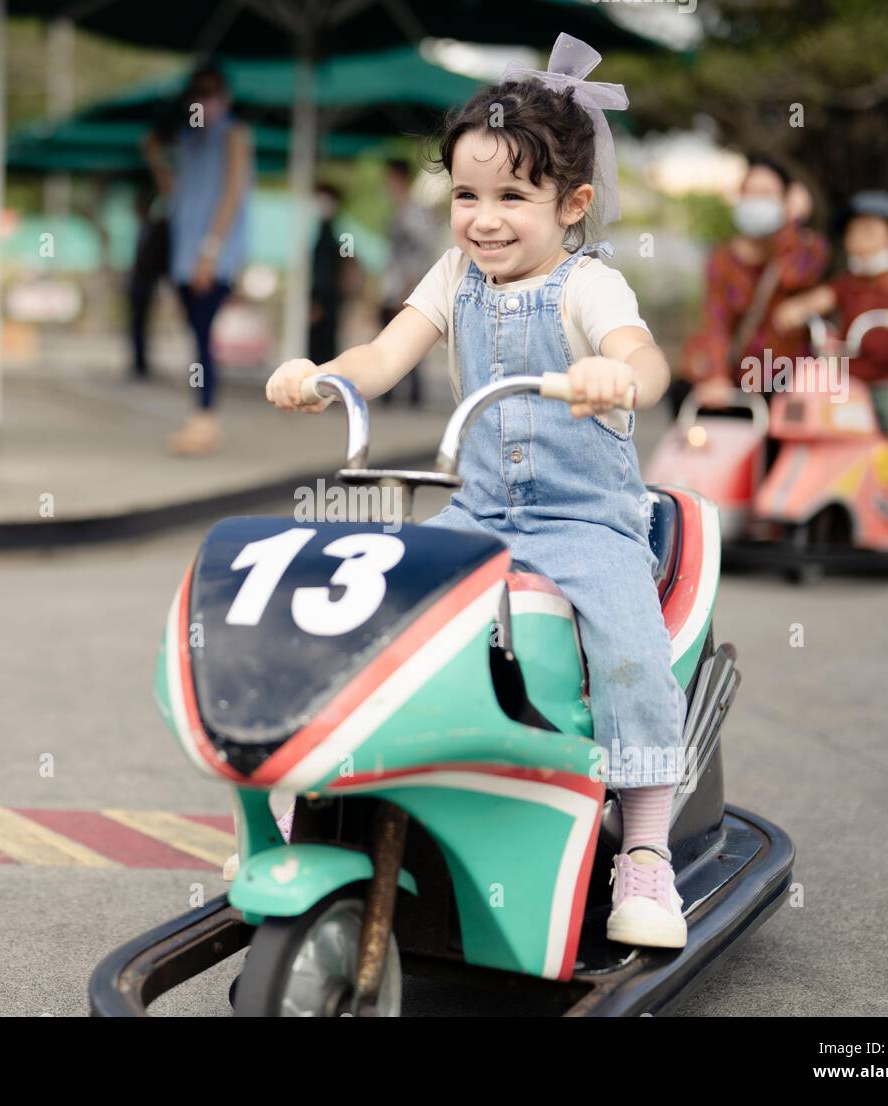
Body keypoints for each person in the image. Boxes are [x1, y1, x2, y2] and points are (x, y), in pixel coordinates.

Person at [266, 33, 689, 949]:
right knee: (375, 603)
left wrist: (618, 377)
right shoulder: (452, 273)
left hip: (584, 520)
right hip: (480, 508)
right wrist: (318, 373)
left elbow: (640, 356)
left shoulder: (590, 286)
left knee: (625, 645)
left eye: (513, 197)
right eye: (466, 195)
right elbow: (383, 355)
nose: (484, 219)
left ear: (572, 204)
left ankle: (646, 851)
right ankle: (325, 793)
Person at [773, 191, 888, 538]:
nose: (859, 240)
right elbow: (821, 299)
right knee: (813, 418)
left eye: (869, 231)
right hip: (851, 379)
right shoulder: (847, 283)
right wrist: (796, 309)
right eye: (853, 232)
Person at [145, 65, 253, 456]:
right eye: (198, 94)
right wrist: (155, 156)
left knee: (204, 339)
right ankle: (201, 417)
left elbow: (231, 196)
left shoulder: (234, 135)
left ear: (223, 96)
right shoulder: (187, 143)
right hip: (182, 256)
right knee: (196, 338)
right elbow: (173, 194)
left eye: (210, 94)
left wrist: (209, 252)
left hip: (210, 257)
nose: (204, 103)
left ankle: (205, 419)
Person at [678, 155, 830, 416]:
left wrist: (791, 222)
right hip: (736, 376)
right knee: (686, 398)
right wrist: (716, 376)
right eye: (750, 192)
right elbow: (716, 322)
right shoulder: (722, 260)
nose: (757, 201)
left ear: (786, 201)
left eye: (767, 194)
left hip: (787, 379)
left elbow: (793, 274)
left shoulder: (808, 247)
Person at [378, 158, 434, 407]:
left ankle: (410, 396)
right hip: (395, 286)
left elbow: (421, 252)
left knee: (405, 338)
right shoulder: (400, 211)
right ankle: (395, 394)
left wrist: (409, 287)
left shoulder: (414, 213)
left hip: (406, 287)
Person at [127, 180, 170, 379]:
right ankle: (138, 363)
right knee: (136, 326)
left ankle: (141, 364)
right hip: (138, 284)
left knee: (142, 326)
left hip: (146, 283)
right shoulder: (144, 228)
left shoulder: (157, 228)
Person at [308, 182, 345, 366]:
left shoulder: (329, 233)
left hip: (324, 303)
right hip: (329, 302)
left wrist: (318, 302)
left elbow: (325, 272)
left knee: (321, 353)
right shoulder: (330, 231)